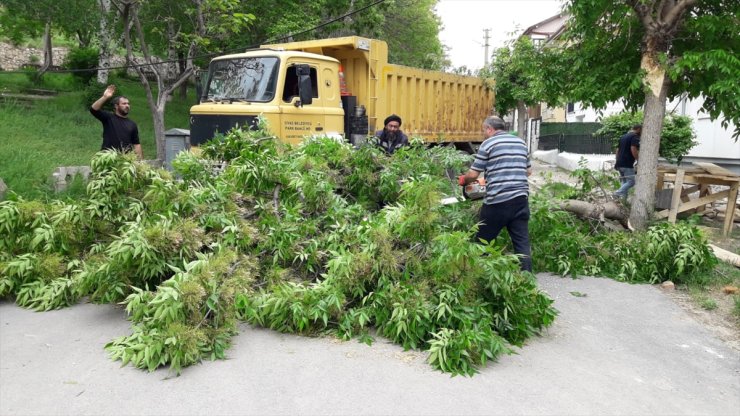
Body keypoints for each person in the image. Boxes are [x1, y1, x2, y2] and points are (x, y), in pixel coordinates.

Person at [458, 116, 533, 272]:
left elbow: (473, 174)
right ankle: (527, 281)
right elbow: (528, 171)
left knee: (482, 242)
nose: (484, 134)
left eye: (484, 130)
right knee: (522, 243)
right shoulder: (521, 142)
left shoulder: (489, 143)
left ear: (489, 129)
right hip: (521, 199)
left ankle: (477, 276)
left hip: (497, 202)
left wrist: (464, 180)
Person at [90, 84, 143, 159]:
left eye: (128, 103)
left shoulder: (132, 124)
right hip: (107, 158)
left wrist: (140, 162)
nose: (127, 105)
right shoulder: (109, 118)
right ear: (116, 106)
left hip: (125, 160)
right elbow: (93, 109)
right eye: (124, 104)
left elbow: (136, 144)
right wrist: (105, 97)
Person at [613, 124, 641, 199]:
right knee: (632, 182)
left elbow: (617, 150)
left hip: (619, 163)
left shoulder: (623, 136)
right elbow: (633, 149)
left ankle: (623, 200)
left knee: (624, 182)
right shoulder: (634, 137)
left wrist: (617, 160)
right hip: (627, 164)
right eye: (641, 130)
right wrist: (639, 159)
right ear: (638, 129)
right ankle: (617, 193)